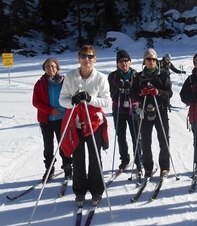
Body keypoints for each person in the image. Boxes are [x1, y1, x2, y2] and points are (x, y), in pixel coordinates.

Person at [59, 45, 111, 202]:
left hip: (94, 122)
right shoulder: (70, 76)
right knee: (78, 156)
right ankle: (79, 190)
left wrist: (90, 99)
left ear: (95, 59)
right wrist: (72, 101)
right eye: (83, 56)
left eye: (90, 56)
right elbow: (62, 99)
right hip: (76, 123)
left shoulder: (100, 77)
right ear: (78, 58)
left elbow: (107, 101)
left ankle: (97, 189)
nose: (86, 59)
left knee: (95, 156)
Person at [130, 48, 173, 178]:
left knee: (163, 140)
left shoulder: (163, 74)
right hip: (144, 111)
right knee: (146, 141)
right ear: (144, 61)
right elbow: (132, 95)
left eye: (153, 59)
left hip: (160, 110)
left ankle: (164, 167)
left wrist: (158, 92)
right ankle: (148, 167)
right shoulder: (138, 76)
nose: (151, 61)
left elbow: (169, 93)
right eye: (148, 59)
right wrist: (141, 93)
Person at [32, 58, 72, 180]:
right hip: (47, 120)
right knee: (48, 146)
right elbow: (36, 102)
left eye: (53, 66)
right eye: (48, 67)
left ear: (57, 68)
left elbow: (71, 96)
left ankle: (67, 168)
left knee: (64, 145)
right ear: (44, 69)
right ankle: (49, 169)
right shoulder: (40, 83)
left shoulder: (65, 81)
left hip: (63, 119)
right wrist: (51, 110)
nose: (51, 69)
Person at [108, 50, 141, 172]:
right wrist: (117, 87)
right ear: (117, 63)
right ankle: (124, 159)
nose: (124, 64)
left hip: (133, 109)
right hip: (118, 110)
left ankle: (139, 159)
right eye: (121, 61)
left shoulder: (136, 75)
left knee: (136, 136)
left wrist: (130, 89)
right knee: (121, 136)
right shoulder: (113, 76)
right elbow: (110, 94)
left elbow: (139, 93)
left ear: (130, 62)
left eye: (126, 61)